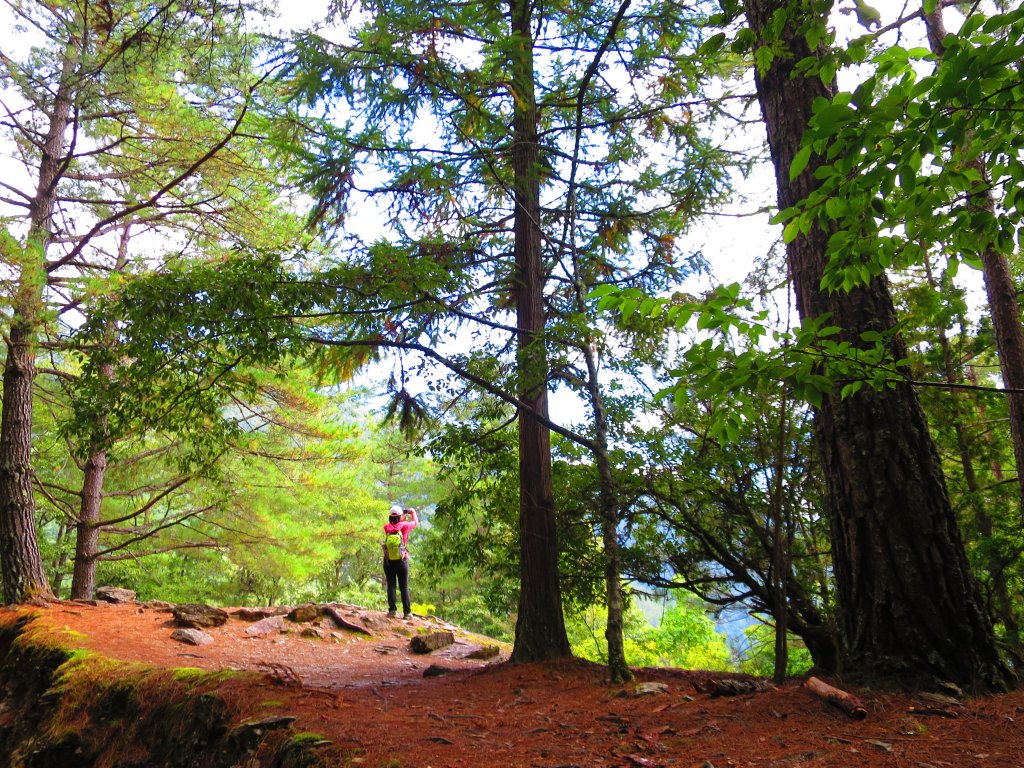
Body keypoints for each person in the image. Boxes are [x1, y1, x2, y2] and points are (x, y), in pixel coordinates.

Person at [381, 504, 418, 619]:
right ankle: (407, 613)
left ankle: (392, 611)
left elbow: (394, 525)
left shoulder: (386, 527)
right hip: (402, 560)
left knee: (391, 585)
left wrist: (401, 517)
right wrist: (412, 512)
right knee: (404, 587)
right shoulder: (405, 526)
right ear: (401, 516)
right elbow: (415, 522)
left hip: (388, 561)